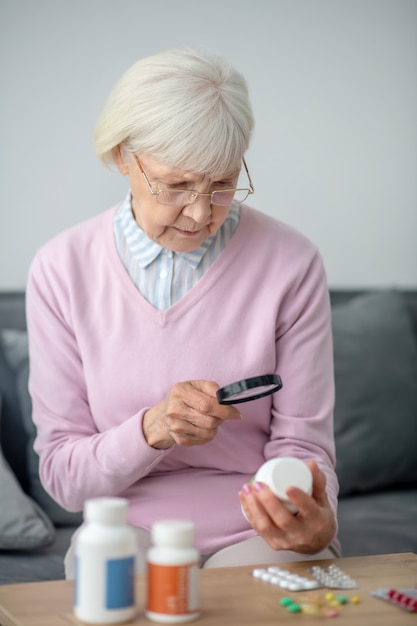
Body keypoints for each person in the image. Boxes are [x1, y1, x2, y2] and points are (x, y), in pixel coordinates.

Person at [26, 47, 340, 578]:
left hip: (259, 528)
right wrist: (151, 428)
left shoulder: (293, 263)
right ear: (124, 156)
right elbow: (64, 479)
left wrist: (314, 512)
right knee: (113, 582)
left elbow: (305, 447)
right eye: (175, 186)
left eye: (221, 185)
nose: (200, 214)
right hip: (125, 528)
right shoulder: (61, 269)